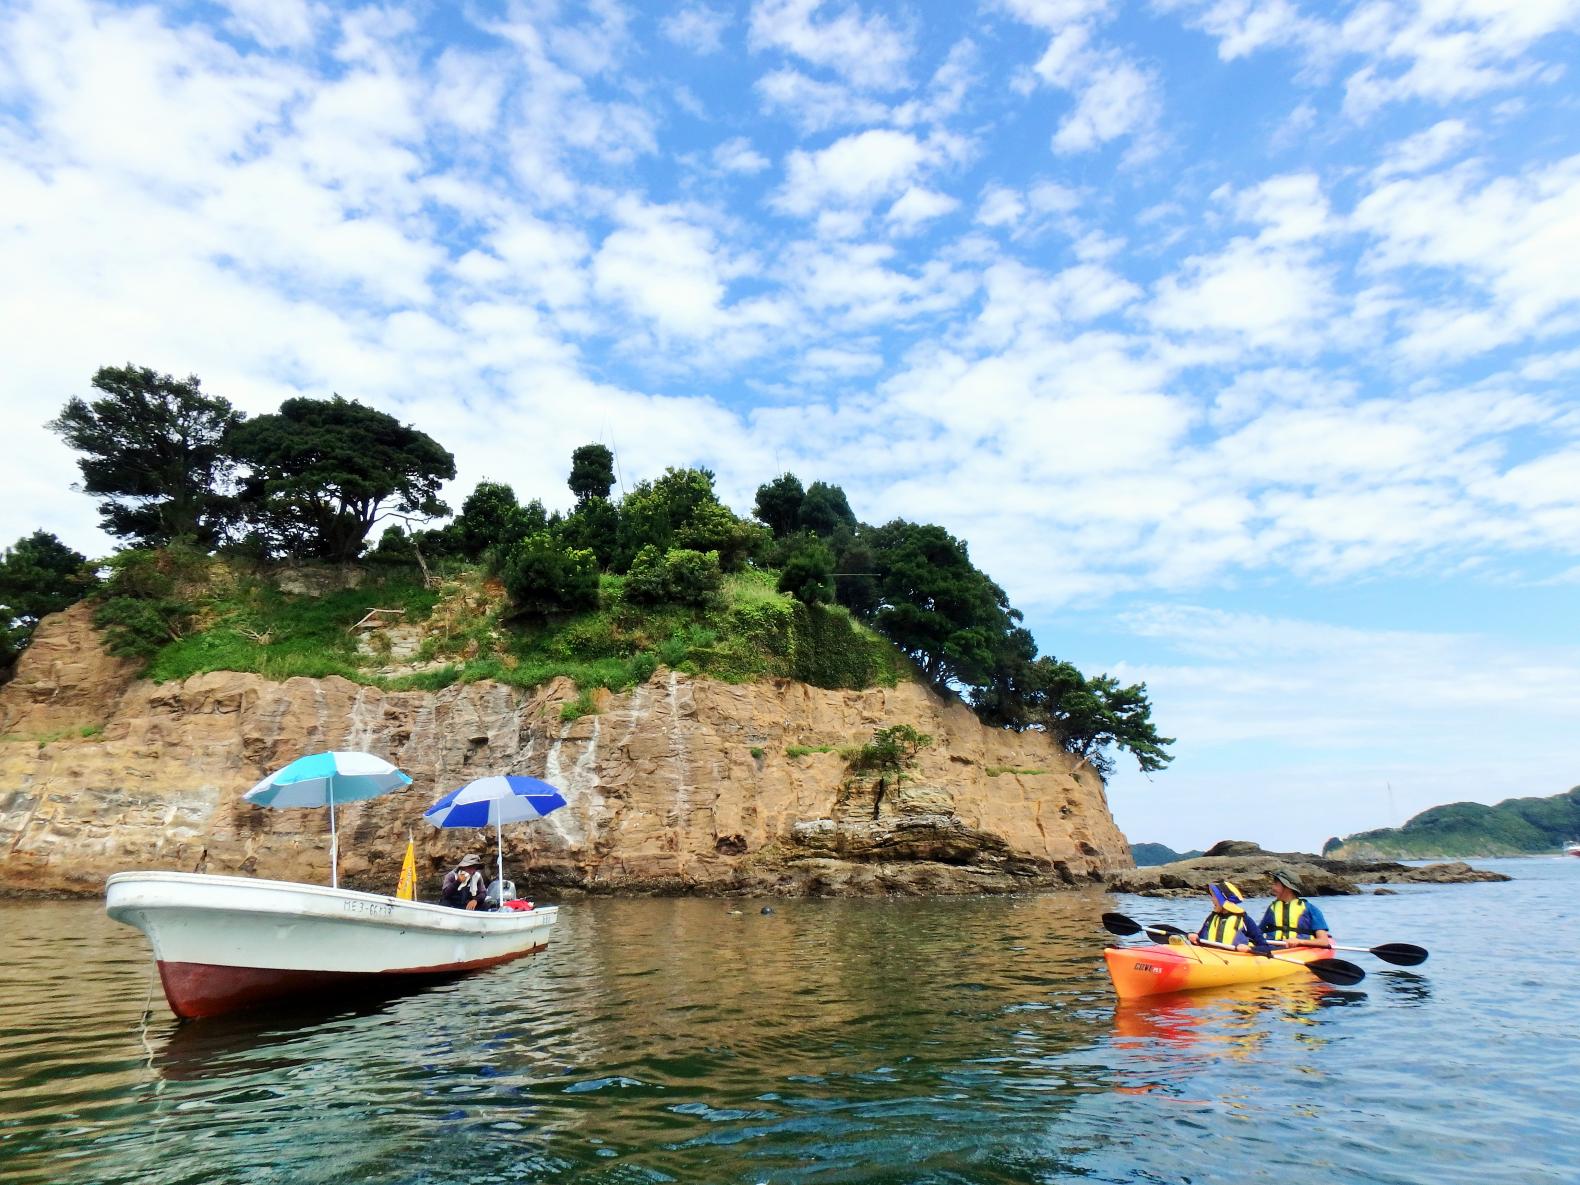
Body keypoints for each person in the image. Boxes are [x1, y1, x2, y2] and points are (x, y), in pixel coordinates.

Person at [1259, 868, 1331, 947]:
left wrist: (1299, 941)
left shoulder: (1311, 910)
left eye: (1276, 884)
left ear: (1288, 887)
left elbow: (1324, 941)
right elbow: (1257, 933)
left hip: (1300, 951)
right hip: (1273, 949)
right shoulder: (1272, 908)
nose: (1273, 888)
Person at [1190, 881, 1269, 950]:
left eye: (1214, 897)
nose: (1212, 900)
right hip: (1212, 957)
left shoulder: (1245, 919)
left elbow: (1265, 947)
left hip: (1235, 960)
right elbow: (1200, 939)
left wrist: (1249, 948)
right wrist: (1194, 938)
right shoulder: (1212, 917)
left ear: (1223, 900)